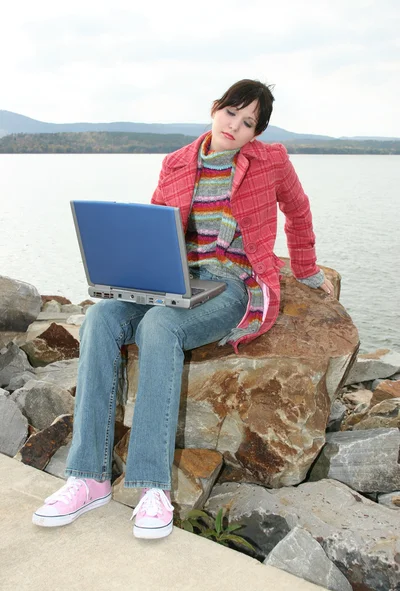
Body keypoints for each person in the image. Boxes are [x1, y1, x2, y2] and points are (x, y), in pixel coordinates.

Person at [32, 79, 334, 538]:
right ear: (215, 109)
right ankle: (88, 477)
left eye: (249, 122)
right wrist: (133, 277)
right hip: (176, 282)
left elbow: (298, 210)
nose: (236, 125)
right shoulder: (176, 163)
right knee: (100, 316)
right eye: (232, 112)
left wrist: (308, 268)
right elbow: (154, 230)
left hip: (232, 285)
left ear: (258, 133)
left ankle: (153, 487)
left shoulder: (272, 162)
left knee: (159, 327)